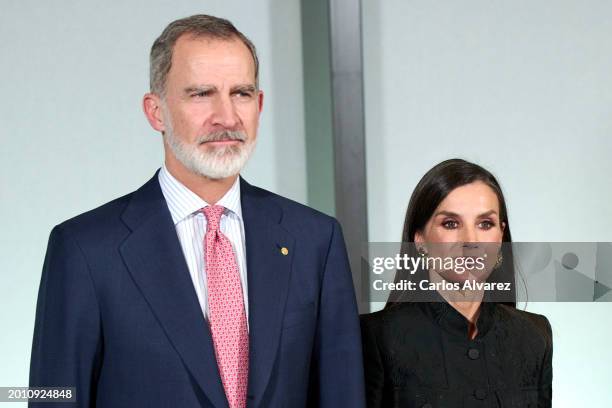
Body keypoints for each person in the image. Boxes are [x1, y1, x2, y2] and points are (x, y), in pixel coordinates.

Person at [29, 14, 365, 408]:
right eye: (201, 93)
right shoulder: (85, 250)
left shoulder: (315, 240)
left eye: (240, 93)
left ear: (259, 104)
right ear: (156, 112)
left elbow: (342, 395)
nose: (226, 117)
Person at [361, 159, 552, 407]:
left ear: (500, 235)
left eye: (485, 224)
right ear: (420, 240)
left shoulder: (534, 336)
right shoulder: (375, 336)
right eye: (451, 224)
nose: (470, 241)